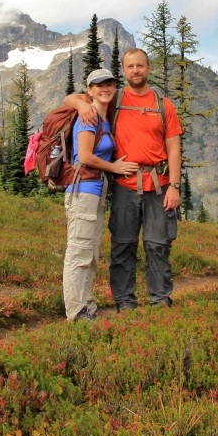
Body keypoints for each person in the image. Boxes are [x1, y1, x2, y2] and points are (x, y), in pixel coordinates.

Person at [66, 49, 183, 311]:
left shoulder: (164, 105)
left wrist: (174, 186)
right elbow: (69, 99)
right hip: (123, 185)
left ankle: (160, 298)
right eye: (130, 66)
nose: (135, 71)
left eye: (140, 65)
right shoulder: (113, 99)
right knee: (123, 245)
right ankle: (124, 300)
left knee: (158, 245)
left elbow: (174, 148)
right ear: (123, 70)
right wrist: (82, 105)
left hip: (159, 184)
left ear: (148, 68)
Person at [63, 68, 139, 322]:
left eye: (109, 84)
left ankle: (86, 302)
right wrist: (114, 167)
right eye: (99, 85)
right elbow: (84, 156)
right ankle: (76, 310)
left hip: (96, 190)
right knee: (79, 250)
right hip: (83, 188)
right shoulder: (89, 116)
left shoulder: (105, 117)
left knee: (91, 251)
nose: (105, 88)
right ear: (90, 91)